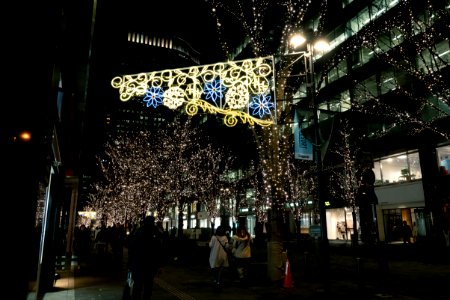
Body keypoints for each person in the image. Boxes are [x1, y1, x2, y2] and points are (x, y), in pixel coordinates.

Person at [128, 216, 165, 300]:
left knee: (137, 286)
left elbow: (132, 248)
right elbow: (159, 250)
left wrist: (130, 265)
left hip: (138, 264)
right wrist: (159, 265)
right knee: (148, 287)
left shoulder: (138, 231)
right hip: (150, 264)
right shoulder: (155, 232)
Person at [209, 226, 230, 290]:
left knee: (215, 268)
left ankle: (216, 280)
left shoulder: (214, 237)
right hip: (223, 255)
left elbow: (210, 245)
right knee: (221, 268)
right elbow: (227, 246)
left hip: (215, 255)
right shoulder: (225, 237)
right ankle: (218, 281)